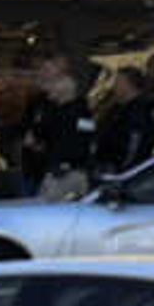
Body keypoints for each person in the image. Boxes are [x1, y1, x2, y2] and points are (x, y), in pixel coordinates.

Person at [21, 58, 98, 200]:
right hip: (48, 169)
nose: (51, 87)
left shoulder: (79, 112)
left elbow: (84, 140)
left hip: (64, 173)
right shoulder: (51, 108)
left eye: (55, 82)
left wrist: (62, 161)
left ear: (65, 88)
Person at [96, 72, 154, 179]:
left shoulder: (138, 112)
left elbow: (134, 145)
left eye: (117, 83)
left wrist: (124, 173)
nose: (114, 87)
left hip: (121, 172)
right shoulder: (122, 109)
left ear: (127, 85)